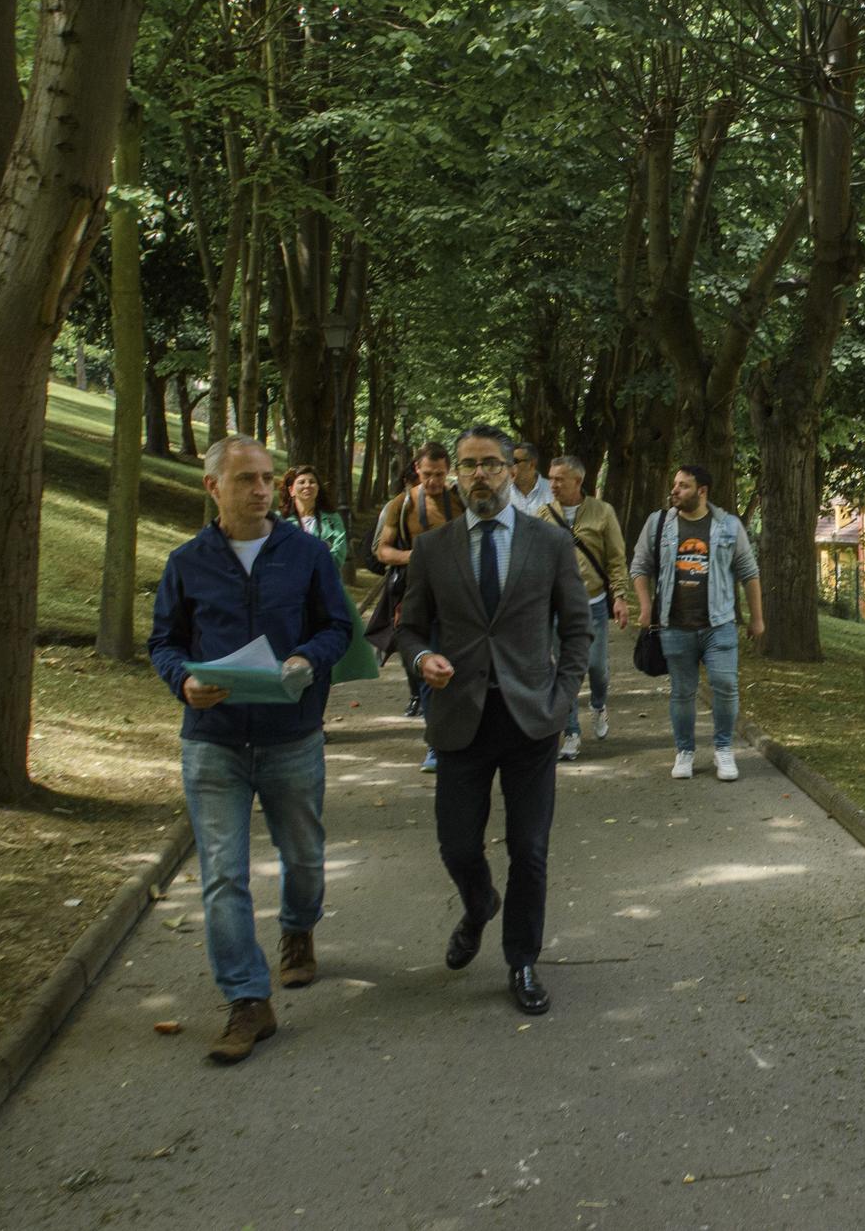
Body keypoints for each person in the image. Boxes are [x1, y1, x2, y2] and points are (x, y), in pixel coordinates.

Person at [147, 436, 353, 1065]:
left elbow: (338, 628)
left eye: (268, 478)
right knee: (222, 876)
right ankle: (247, 1000)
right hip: (213, 743)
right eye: (246, 480)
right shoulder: (187, 562)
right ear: (214, 487)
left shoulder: (307, 552)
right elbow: (164, 641)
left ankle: (298, 929)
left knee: (305, 857)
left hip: (291, 737)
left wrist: (305, 659)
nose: (262, 490)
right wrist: (183, 679)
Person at [397, 425, 591, 1016]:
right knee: (457, 845)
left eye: (490, 464)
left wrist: (562, 700)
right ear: (454, 474)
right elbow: (408, 627)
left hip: (532, 719)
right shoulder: (434, 548)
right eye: (467, 465)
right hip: (460, 718)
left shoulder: (549, 542)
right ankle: (479, 903)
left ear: (512, 470)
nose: (478, 474)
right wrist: (420, 657)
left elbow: (577, 628)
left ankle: (522, 960)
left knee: (530, 848)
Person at [629, 464, 764, 782]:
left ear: (702, 491)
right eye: (674, 484)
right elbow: (640, 565)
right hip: (674, 626)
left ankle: (723, 749)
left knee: (726, 686)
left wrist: (757, 619)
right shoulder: (659, 523)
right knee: (682, 691)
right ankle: (685, 751)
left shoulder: (728, 525)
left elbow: (749, 572)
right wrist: (646, 607)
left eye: (683, 486)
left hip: (719, 625)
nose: (674, 490)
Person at [534, 454, 629, 761]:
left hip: (595, 604)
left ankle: (599, 704)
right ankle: (571, 732)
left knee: (597, 667)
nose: (553, 484)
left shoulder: (602, 512)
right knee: (566, 670)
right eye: (551, 478)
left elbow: (616, 558)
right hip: (559, 606)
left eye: (560, 479)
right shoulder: (543, 515)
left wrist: (620, 596)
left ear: (578, 481)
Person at [374, 443, 462, 751]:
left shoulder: (461, 501)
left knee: (459, 666)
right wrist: (417, 555)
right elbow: (382, 551)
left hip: (459, 597)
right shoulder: (402, 504)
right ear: (416, 470)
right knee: (426, 664)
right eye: (427, 474)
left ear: (449, 471)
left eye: (440, 474)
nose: (434, 481)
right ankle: (434, 742)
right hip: (417, 596)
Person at [282, 463, 348, 564]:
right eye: (301, 482)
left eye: (312, 482)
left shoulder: (332, 519)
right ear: (291, 490)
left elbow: (339, 555)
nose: (307, 485)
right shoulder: (281, 521)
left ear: (318, 488)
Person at [508, 440, 553, 516]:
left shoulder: (552, 491)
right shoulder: (502, 493)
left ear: (532, 464)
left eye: (515, 461)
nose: (510, 466)